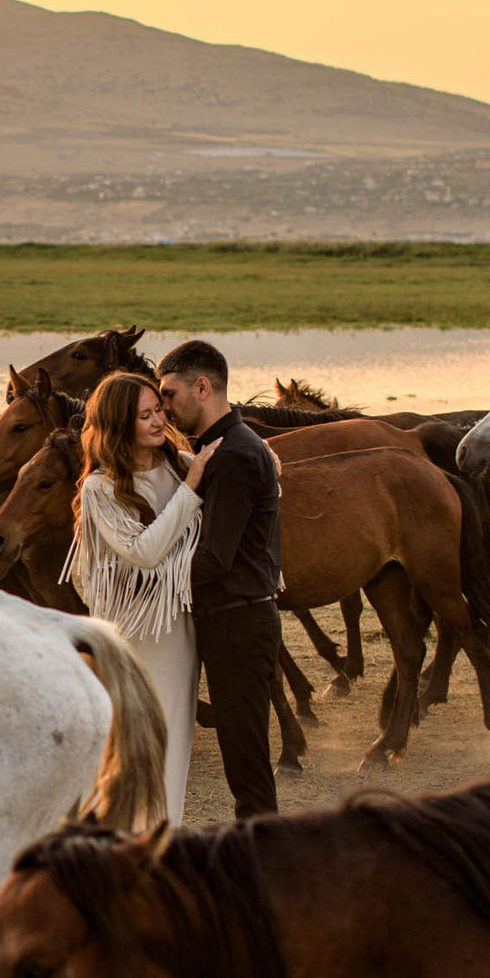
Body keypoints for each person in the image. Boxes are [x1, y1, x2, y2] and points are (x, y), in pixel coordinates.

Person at [61, 371, 218, 819]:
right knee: (130, 750)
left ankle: (160, 846)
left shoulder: (176, 464)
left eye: (158, 411)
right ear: (117, 425)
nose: (157, 421)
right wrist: (192, 488)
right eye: (144, 416)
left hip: (177, 630)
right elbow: (144, 552)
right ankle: (119, 847)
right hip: (130, 635)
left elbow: (254, 482)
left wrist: (262, 458)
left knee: (173, 747)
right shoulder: (100, 488)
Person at [154, 338, 286, 819]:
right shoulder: (224, 448)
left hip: (238, 623)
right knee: (241, 754)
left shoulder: (232, 456)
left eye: (169, 394)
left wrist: (143, 581)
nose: (164, 406)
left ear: (202, 387)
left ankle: (264, 862)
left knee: (246, 764)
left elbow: (214, 559)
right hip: (228, 619)